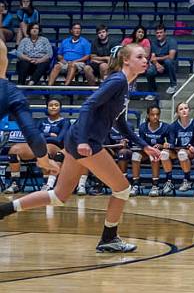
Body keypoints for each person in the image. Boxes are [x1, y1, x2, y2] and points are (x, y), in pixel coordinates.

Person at [0, 44, 159, 253]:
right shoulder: (118, 80)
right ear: (126, 60)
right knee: (122, 189)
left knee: (58, 196)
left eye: (145, 57)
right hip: (86, 142)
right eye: (140, 56)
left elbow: (119, 122)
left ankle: (4, 209)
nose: (145, 60)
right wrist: (84, 140)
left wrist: (144, 145)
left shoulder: (125, 86)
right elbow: (87, 106)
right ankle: (108, 238)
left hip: (78, 140)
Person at [5, 97, 65, 193]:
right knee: (14, 150)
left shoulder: (64, 122)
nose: (53, 107)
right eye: (51, 105)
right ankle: (15, 183)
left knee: (45, 149)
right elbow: (33, 135)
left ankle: (46, 183)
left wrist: (42, 137)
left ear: (60, 108)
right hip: (38, 145)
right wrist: (49, 135)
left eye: (56, 105)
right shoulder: (41, 121)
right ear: (47, 108)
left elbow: (59, 139)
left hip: (54, 146)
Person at [136, 104, 172, 196]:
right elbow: (141, 143)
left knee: (154, 156)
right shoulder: (143, 127)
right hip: (146, 151)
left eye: (157, 114)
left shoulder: (166, 127)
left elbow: (171, 143)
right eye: (152, 114)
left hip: (158, 152)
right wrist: (148, 148)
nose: (155, 117)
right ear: (148, 115)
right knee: (135, 156)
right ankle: (135, 184)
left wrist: (163, 145)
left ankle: (155, 186)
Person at [167, 101, 194, 194]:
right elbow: (172, 143)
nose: (184, 111)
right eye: (181, 109)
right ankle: (169, 181)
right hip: (178, 150)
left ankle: (187, 180)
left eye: (186, 108)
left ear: (189, 110)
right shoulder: (173, 126)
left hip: (191, 153)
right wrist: (170, 146)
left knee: (182, 153)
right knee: (164, 154)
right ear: (177, 113)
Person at [48, 22, 94, 86]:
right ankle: (49, 88)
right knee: (57, 66)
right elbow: (59, 54)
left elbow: (87, 56)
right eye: (75, 28)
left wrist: (75, 61)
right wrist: (61, 59)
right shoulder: (65, 41)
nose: (77, 30)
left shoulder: (85, 42)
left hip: (79, 62)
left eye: (79, 29)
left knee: (72, 65)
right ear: (71, 30)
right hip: (65, 62)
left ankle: (65, 87)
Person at [145, 25, 178, 95]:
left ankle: (173, 85)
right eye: (157, 33)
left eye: (161, 32)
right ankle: (152, 92)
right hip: (158, 64)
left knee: (168, 61)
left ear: (165, 33)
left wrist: (157, 58)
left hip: (170, 65)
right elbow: (153, 57)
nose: (159, 34)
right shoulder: (153, 43)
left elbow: (171, 56)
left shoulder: (172, 41)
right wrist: (157, 65)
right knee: (149, 71)